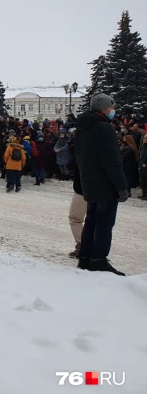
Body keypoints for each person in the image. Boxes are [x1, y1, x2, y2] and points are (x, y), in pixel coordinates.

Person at [74, 93, 129, 275]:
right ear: (104, 108)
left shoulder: (82, 129)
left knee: (91, 221)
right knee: (104, 224)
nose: (113, 111)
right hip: (105, 185)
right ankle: (98, 260)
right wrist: (121, 186)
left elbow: (79, 159)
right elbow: (112, 162)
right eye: (111, 107)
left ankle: (85, 258)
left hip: (89, 183)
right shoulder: (104, 128)